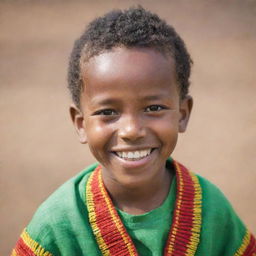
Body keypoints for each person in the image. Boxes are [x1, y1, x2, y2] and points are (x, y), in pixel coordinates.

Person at [12, 6, 255, 256]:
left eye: (153, 107)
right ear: (80, 123)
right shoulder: (57, 225)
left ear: (182, 114)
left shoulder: (211, 210)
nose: (131, 130)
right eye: (108, 112)